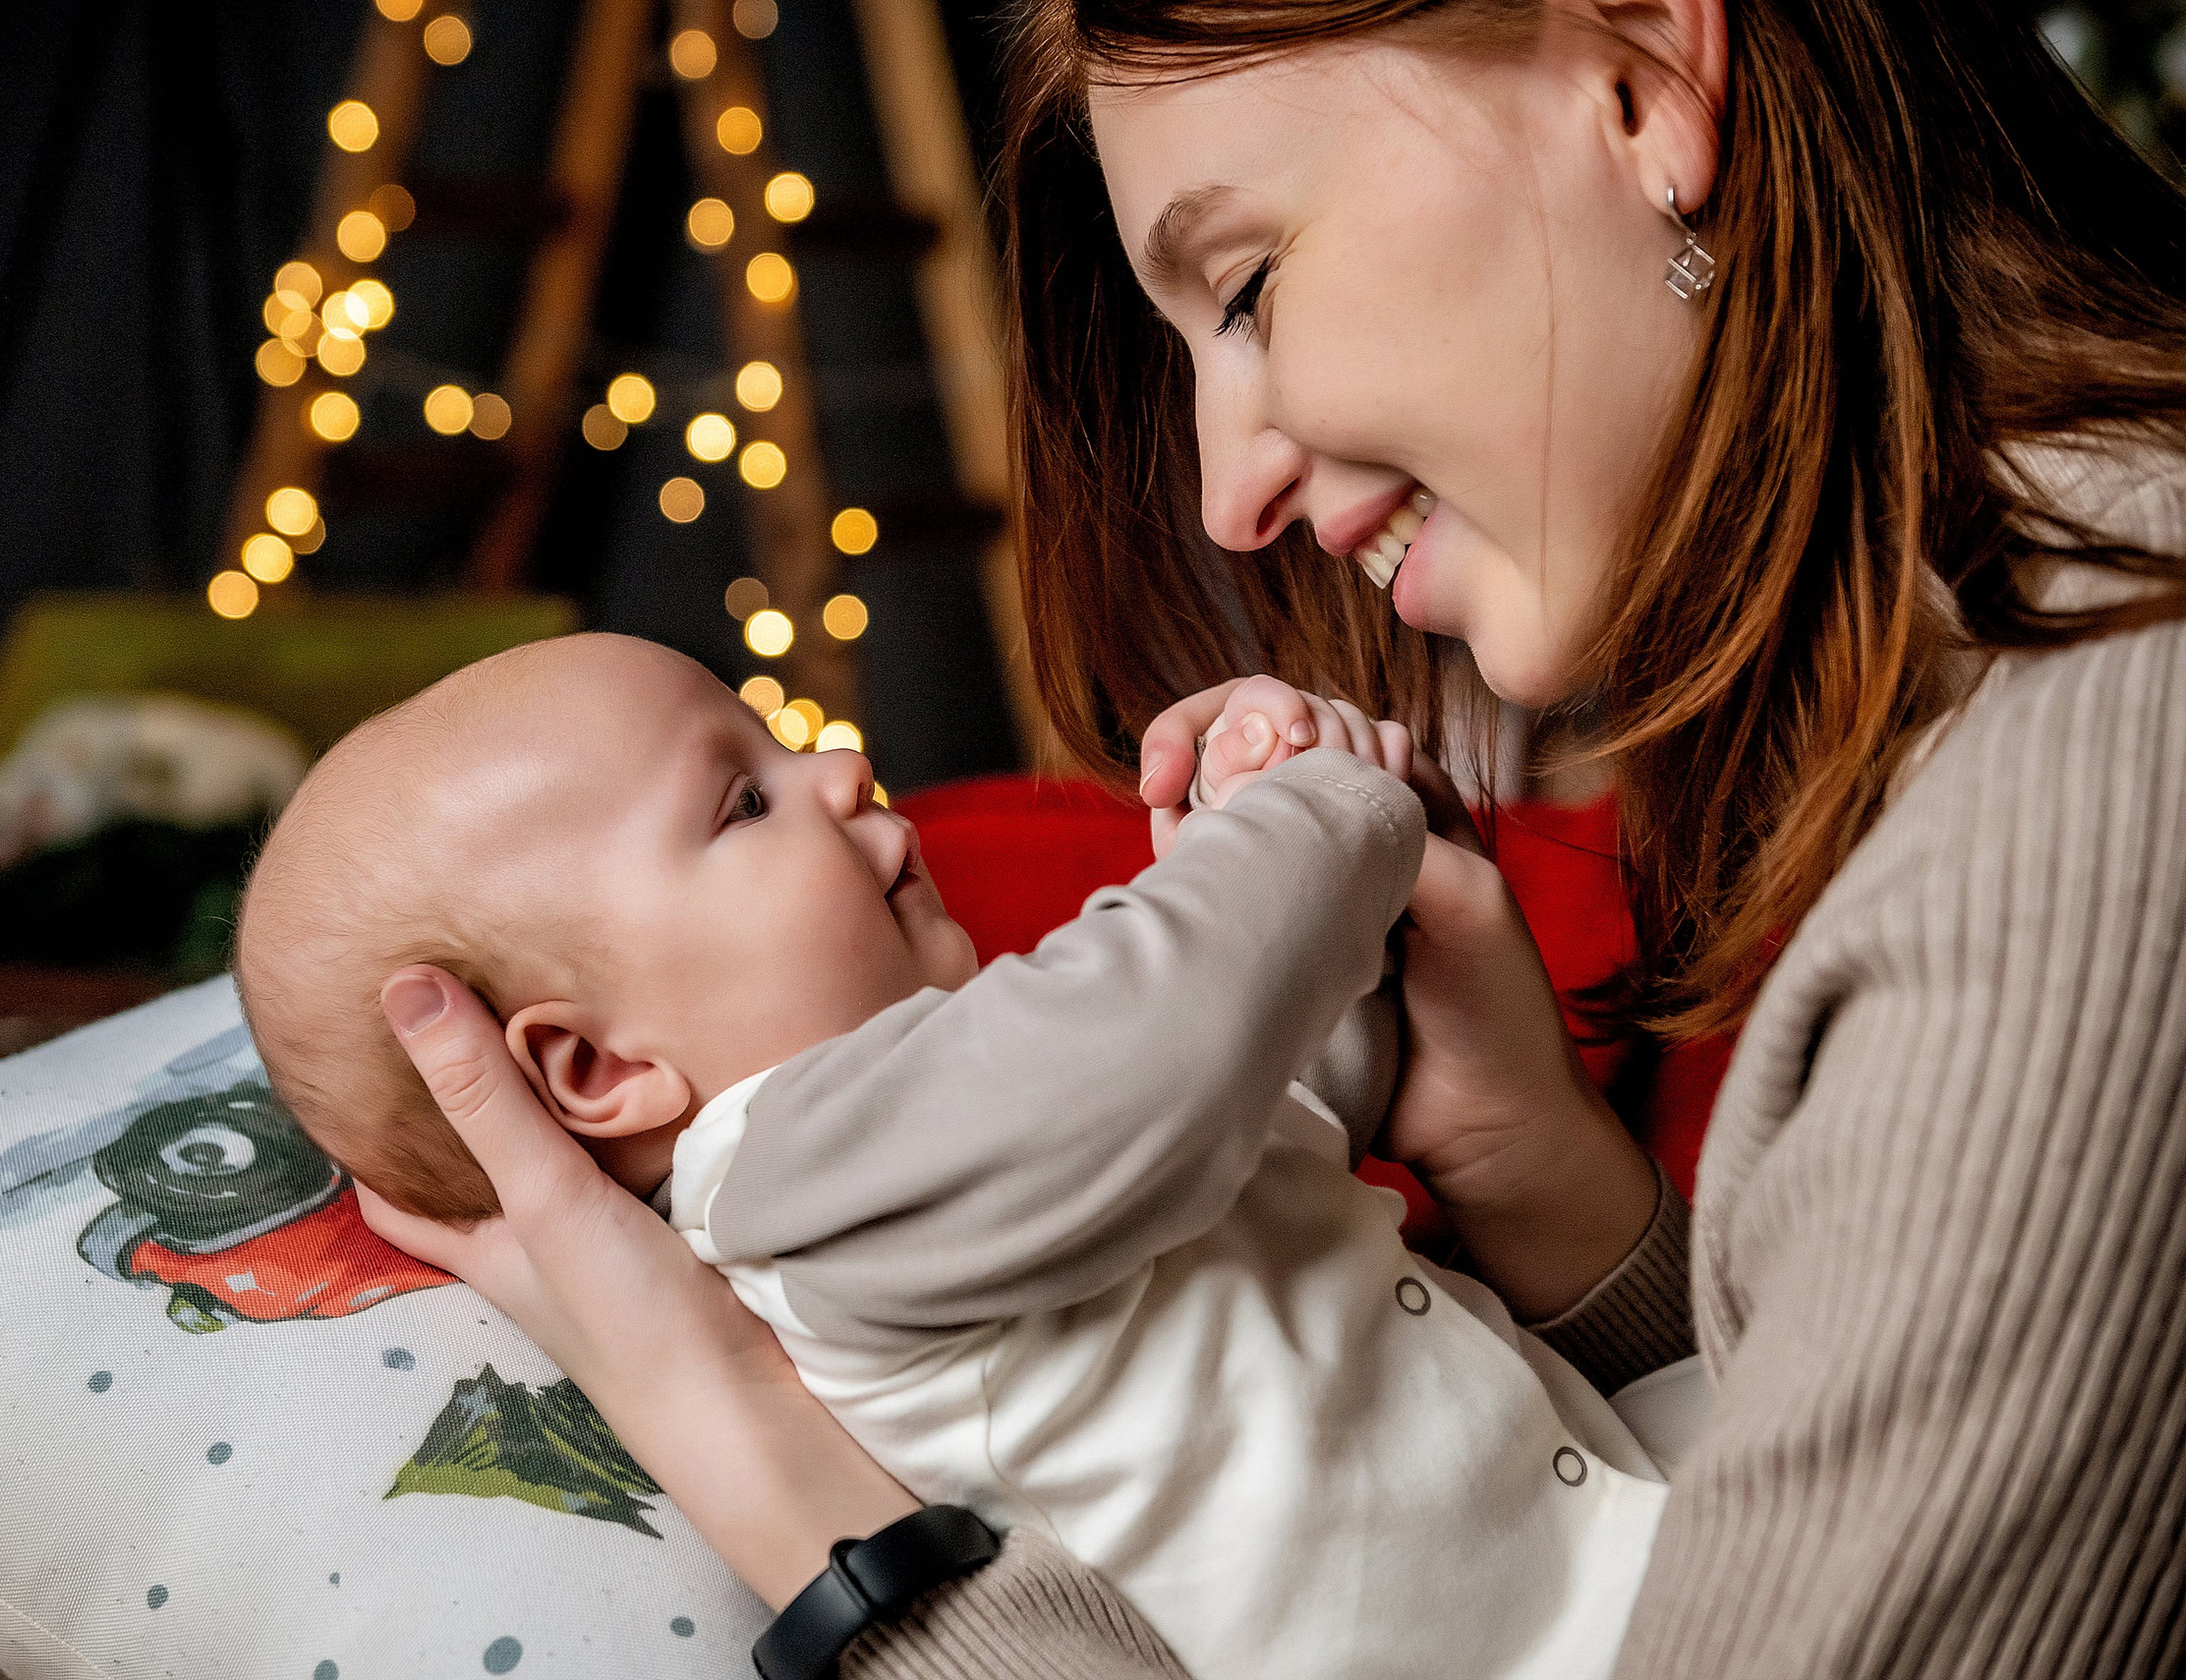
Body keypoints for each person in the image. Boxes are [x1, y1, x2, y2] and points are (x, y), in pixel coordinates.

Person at [358, 1, 2186, 1675]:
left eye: (1242, 287)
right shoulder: (2059, 659)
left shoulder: (2091, 788)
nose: (1231, 496)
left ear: (1636, 71)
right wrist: (1540, 1174)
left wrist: (807, 1513)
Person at [236, 633, 1672, 1679]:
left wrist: (1304, 872)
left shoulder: (989, 1084)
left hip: (1660, 1566)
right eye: (744, 798)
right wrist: (1309, 830)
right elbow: (1158, 1058)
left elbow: (1266, 1102)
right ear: (598, 1070)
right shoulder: (796, 1181)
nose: (841, 765)